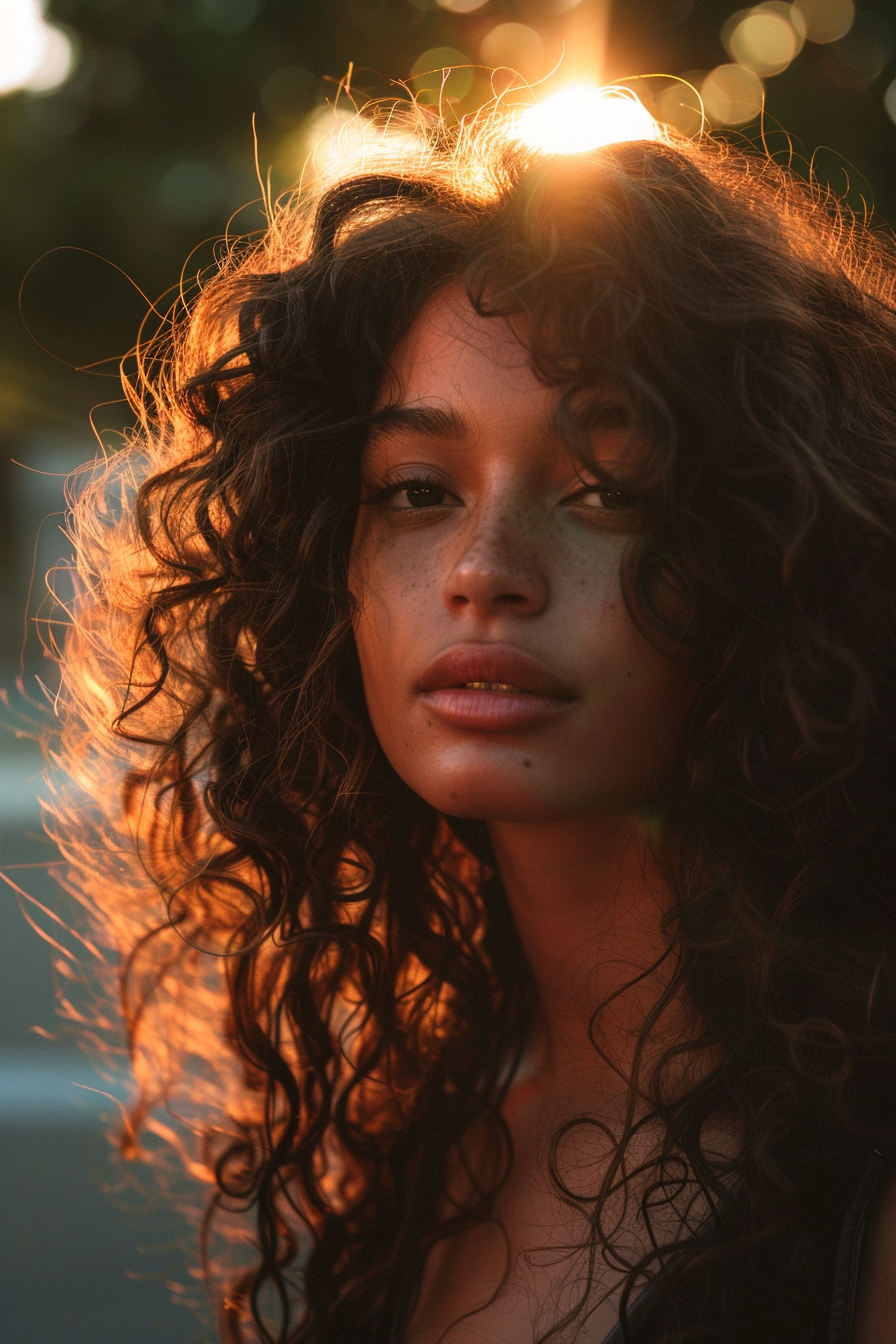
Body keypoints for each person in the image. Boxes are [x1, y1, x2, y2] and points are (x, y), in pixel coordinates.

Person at [49, 92, 896, 1344]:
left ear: (775, 558)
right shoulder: (429, 1148)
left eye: (605, 490)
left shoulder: (862, 1195)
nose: (485, 567)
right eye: (416, 490)